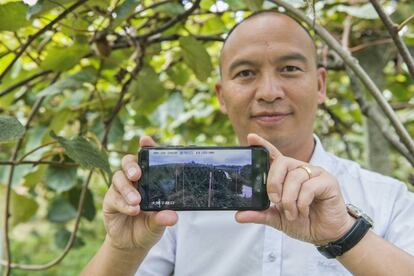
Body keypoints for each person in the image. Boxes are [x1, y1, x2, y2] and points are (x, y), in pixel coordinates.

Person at [82, 10, 414, 276]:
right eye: (245, 73)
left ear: (320, 84)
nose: (269, 92)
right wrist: (122, 250)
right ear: (221, 96)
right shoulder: (175, 201)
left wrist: (345, 235)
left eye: (289, 68)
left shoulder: (389, 198)